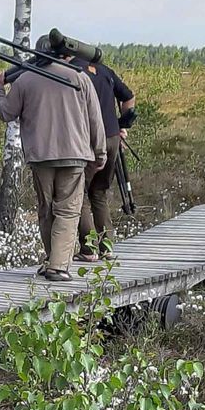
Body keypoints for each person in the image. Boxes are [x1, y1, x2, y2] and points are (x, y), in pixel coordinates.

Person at [0, 41, 106, 281]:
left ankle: (51, 260)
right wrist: (100, 153)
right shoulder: (79, 78)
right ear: (65, 54)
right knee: (67, 211)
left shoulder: (25, 80)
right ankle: (58, 266)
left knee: (46, 210)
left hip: (40, 156)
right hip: (75, 154)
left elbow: (6, 113)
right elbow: (95, 119)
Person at [72, 50, 135, 260]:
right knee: (99, 192)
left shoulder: (73, 70)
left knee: (78, 194)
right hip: (112, 138)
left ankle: (89, 249)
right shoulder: (105, 71)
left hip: (89, 140)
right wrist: (122, 124)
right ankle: (107, 246)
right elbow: (129, 97)